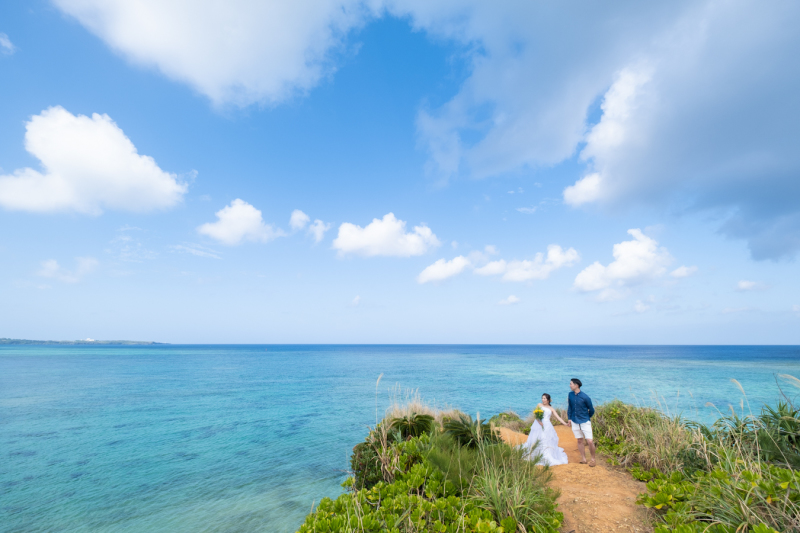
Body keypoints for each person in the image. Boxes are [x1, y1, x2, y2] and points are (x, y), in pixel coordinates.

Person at [520, 393, 569, 466]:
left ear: (548, 400)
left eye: (545, 398)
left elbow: (558, 417)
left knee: (546, 439)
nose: (543, 400)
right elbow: (535, 415)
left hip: (547, 425)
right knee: (537, 438)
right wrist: (539, 422)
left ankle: (546, 454)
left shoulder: (551, 408)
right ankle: (535, 453)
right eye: (542, 398)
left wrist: (565, 423)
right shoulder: (539, 405)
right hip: (538, 424)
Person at [567, 378, 596, 467]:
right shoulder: (570, 395)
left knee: (590, 441)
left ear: (576, 385)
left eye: (571, 384)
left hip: (584, 421)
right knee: (579, 440)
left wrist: (587, 417)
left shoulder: (585, 397)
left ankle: (593, 459)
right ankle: (583, 459)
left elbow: (591, 410)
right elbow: (570, 407)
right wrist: (569, 418)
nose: (570, 385)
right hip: (575, 421)